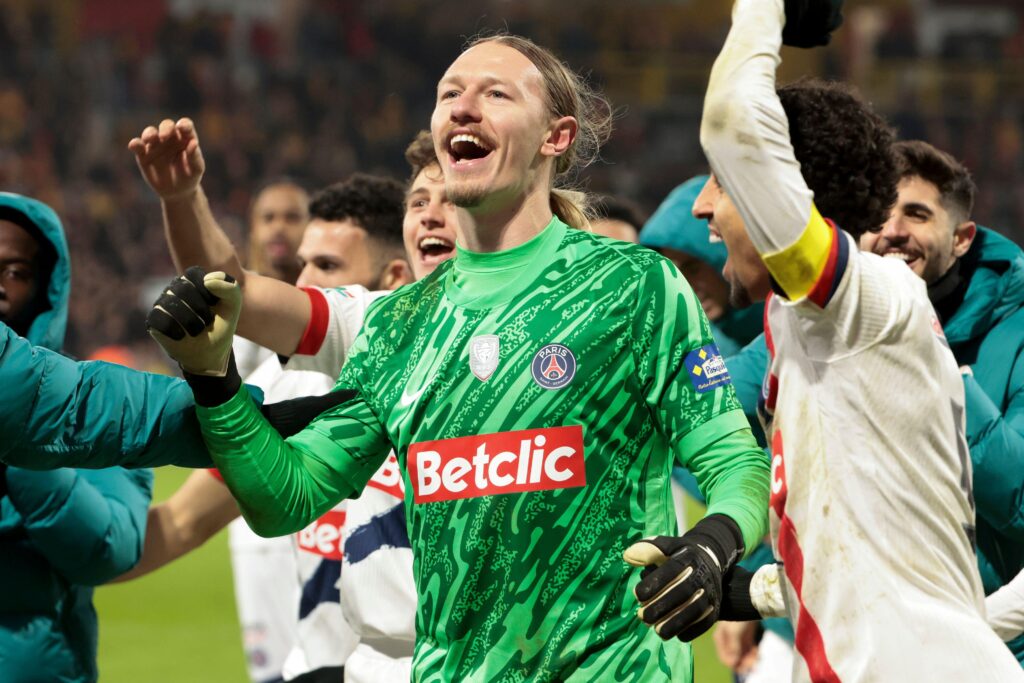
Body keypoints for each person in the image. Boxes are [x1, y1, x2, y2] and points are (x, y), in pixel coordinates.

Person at [143, 34, 770, 681]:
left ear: (556, 137)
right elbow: (286, 498)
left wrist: (712, 542)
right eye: (449, 95)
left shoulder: (633, 287)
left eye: (495, 93)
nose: (463, 107)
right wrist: (215, 381)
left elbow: (733, 458)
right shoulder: (398, 326)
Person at [640, 0, 1022, 679]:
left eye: (723, 183)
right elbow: (878, 551)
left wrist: (763, 9)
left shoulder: (862, 301)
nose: (702, 207)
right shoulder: (815, 329)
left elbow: (733, 121)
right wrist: (748, 591)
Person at [717, 139, 1024, 673]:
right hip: (861, 649)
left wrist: (937, 373)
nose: (893, 230)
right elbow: (710, 401)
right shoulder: (820, 321)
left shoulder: (1015, 335)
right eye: (882, 214)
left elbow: (1020, 504)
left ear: (961, 239)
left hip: (993, 655)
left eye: (917, 214)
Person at [121, 172, 419, 682]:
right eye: (304, 264)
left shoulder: (443, 391)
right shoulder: (278, 389)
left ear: (392, 278)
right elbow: (182, 522)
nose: (303, 282)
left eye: (327, 267)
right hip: (313, 669)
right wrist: (56, 557)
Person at [0, 193, 153, 683]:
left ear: (47, 287)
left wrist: (21, 445)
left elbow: (109, 547)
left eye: (15, 271)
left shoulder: (89, 401)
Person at [640, 175, 763, 358]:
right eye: (673, 275)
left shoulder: (791, 313)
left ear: (724, 252)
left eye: (693, 269)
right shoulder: (687, 349)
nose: (685, 288)